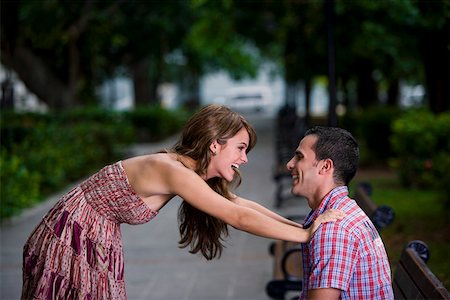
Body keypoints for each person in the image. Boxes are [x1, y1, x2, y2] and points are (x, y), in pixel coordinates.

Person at [22, 105, 345, 300]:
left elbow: (241, 205)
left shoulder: (188, 171)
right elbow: (237, 217)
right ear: (216, 145)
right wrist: (305, 235)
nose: (244, 159)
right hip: (71, 235)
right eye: (241, 148)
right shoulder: (171, 170)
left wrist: (303, 226)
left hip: (94, 236)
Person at [286, 126, 394, 299]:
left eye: (299, 157)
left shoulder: (334, 230)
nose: (290, 164)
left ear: (325, 166)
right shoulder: (341, 211)